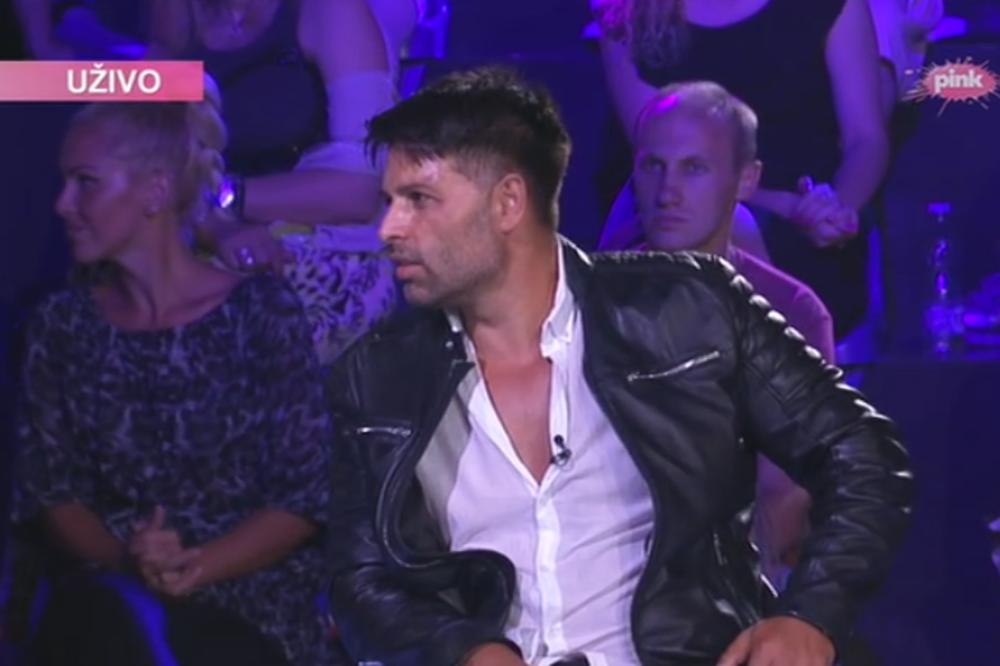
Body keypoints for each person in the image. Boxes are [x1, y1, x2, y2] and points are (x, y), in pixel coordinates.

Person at [324, 67, 912, 666]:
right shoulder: (376, 377)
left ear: (507, 203)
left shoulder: (691, 310)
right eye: (389, 202)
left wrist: (809, 617)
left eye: (419, 200)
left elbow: (866, 458)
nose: (389, 229)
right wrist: (467, 651)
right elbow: (359, 581)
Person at [8, 84, 336, 664]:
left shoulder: (260, 313)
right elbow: (49, 493)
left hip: (247, 603)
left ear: (155, 191)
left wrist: (196, 567)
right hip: (108, 602)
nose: (62, 204)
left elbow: (304, 497)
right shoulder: (60, 325)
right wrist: (128, 564)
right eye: (65, 182)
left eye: (86, 182)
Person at [630, 80, 836, 589]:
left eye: (693, 169)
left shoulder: (793, 312)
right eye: (654, 166)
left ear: (746, 180)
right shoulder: (588, 297)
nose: (667, 192)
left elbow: (785, 490)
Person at [594, 0, 888, 340]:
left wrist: (836, 209)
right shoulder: (629, 12)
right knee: (732, 225)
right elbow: (659, 157)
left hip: (811, 224)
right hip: (678, 210)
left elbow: (866, 139)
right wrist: (786, 206)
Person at [148, 0, 420, 364]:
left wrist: (226, 198)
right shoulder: (176, 15)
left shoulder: (331, 11)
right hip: (203, 237)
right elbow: (154, 155)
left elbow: (362, 190)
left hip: (324, 249)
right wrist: (213, 225)